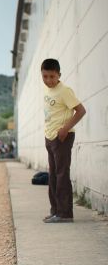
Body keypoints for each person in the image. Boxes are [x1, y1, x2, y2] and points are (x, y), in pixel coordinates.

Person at [41, 58, 86, 223]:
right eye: (45, 76)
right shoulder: (47, 90)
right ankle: (55, 211)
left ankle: (65, 213)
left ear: (59, 74)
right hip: (50, 137)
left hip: (63, 138)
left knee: (61, 175)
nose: (48, 80)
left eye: (52, 76)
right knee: (53, 175)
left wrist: (65, 129)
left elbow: (81, 111)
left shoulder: (65, 90)